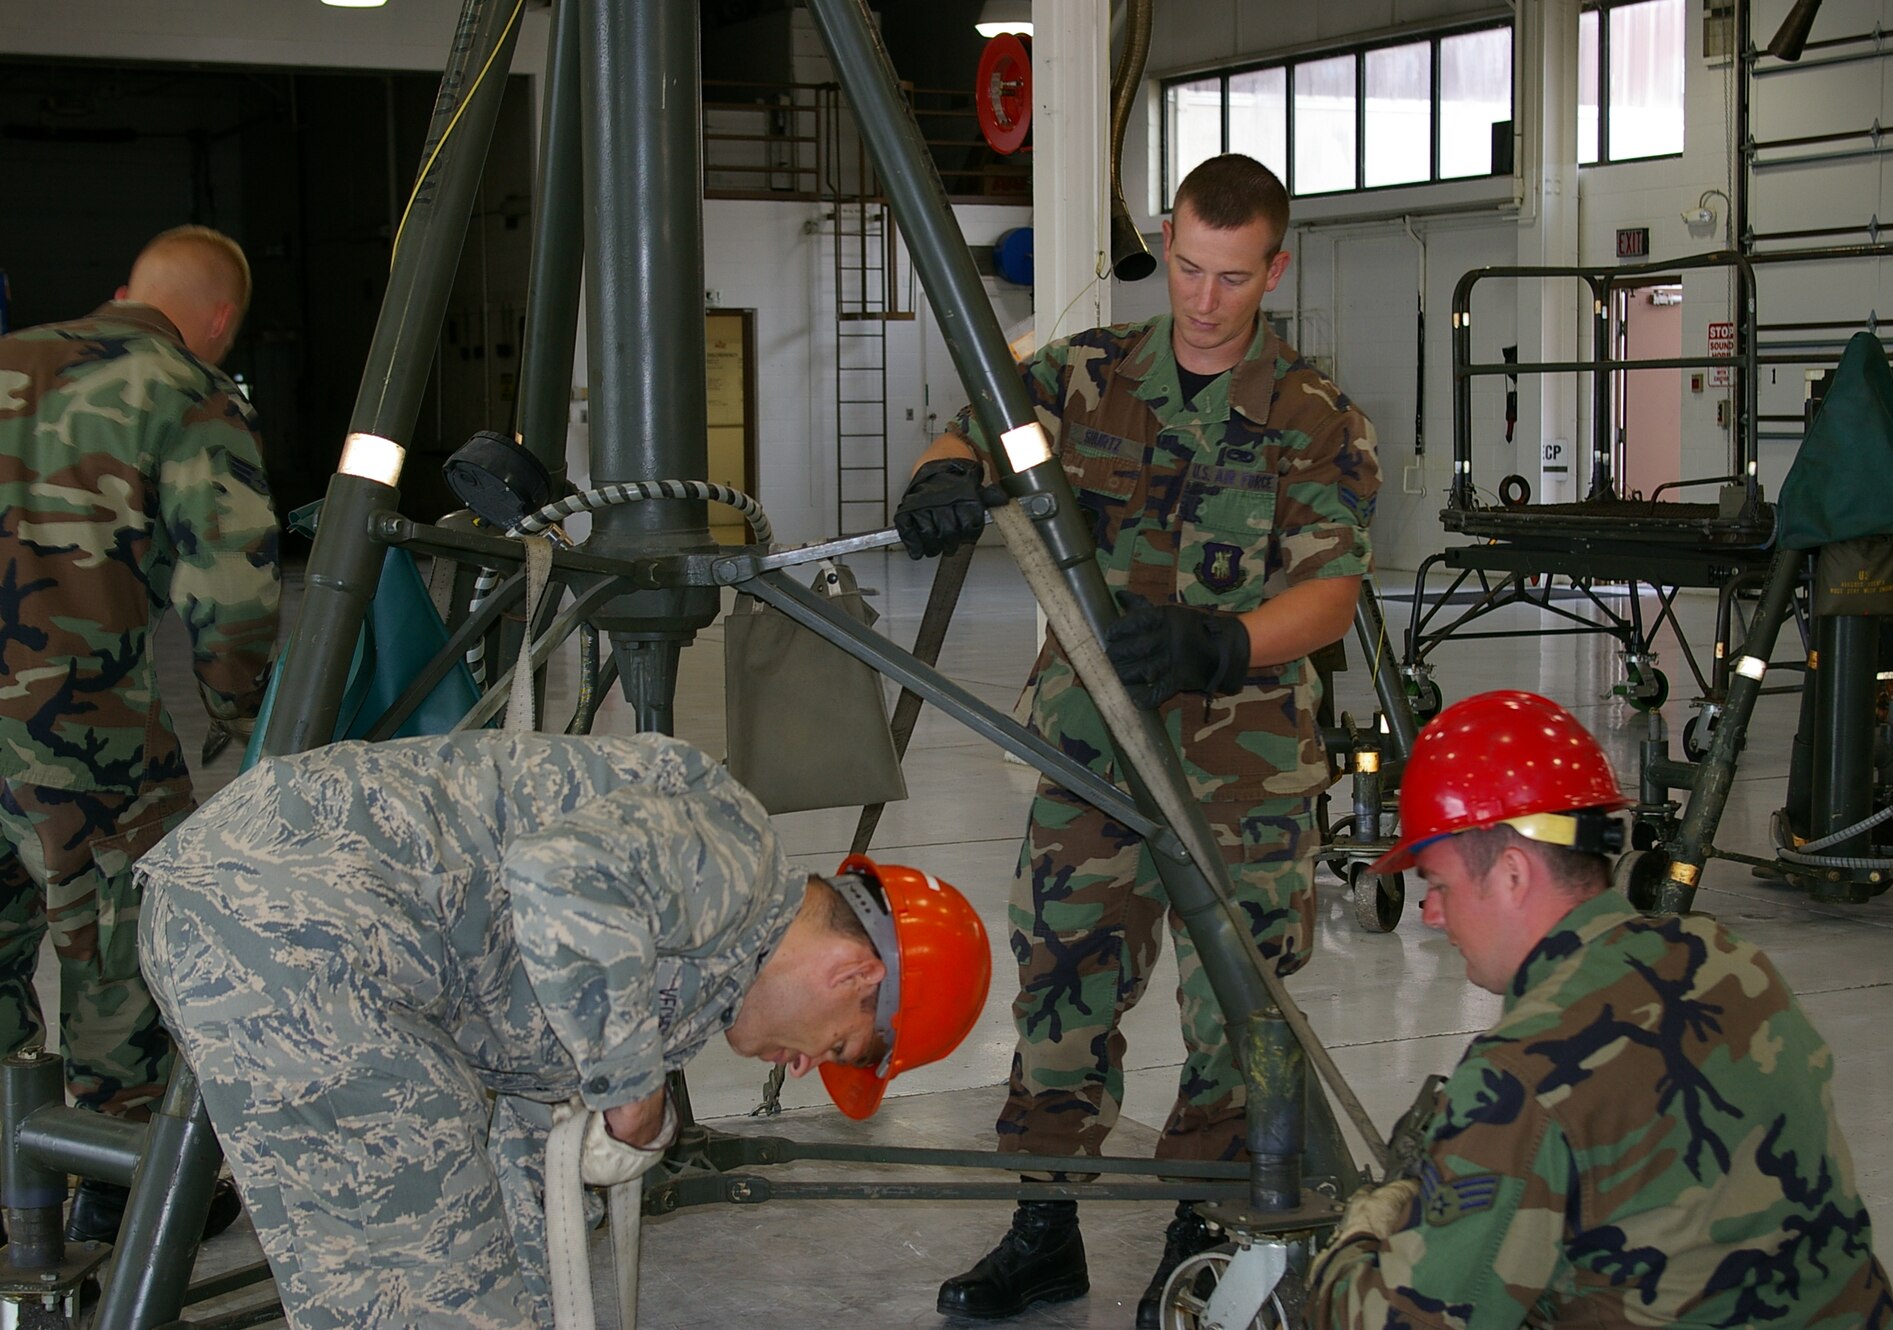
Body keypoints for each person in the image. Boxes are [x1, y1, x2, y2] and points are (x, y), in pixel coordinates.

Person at [894, 153, 1380, 1326]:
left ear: (1275, 265)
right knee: (1061, 997)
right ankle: (1043, 1230)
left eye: (1231, 276)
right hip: (1089, 756)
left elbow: (1332, 595)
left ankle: (1202, 1231)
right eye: (1186, 267)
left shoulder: (1316, 417)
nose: (1203, 300)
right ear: (1164, 241)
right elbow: (962, 431)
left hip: (1244, 767)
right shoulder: (1082, 372)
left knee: (1237, 1009)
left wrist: (1223, 645)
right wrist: (941, 484)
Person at [135, 730, 993, 1330]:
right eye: (837, 1048)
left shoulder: (697, 968)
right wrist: (633, 1092)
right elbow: (560, 875)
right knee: (424, 1300)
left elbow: (514, 1132)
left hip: (256, 927)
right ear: (856, 977)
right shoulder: (737, 856)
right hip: (305, 923)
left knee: (425, 1286)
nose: (803, 1068)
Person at [1307, 691, 1893, 1329]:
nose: (1431, 913)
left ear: (1511, 873)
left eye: (1439, 885)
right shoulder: (1729, 961)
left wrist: (1355, 1243)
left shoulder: (1522, 1074)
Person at [0, 224, 279, 1242]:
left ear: (122, 288)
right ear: (216, 322)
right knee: (118, 957)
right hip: (83, 733)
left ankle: (11, 1187)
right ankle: (117, 1196)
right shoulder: (187, 387)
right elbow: (234, 593)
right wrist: (245, 723)